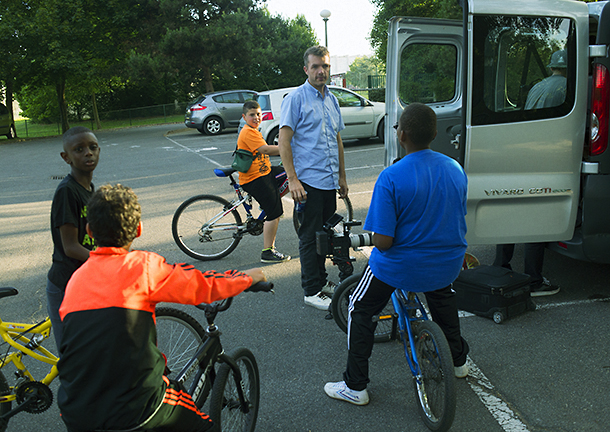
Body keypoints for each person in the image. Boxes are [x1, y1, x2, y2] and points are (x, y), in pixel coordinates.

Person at [57, 184, 266, 432]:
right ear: (138, 229)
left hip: (75, 409)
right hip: (137, 407)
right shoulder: (143, 267)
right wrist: (248, 277)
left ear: (90, 231)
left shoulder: (76, 280)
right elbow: (203, 285)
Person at [324, 103, 470, 405]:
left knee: (359, 308)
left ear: (401, 135)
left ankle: (355, 385)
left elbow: (385, 242)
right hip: (447, 263)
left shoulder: (391, 177)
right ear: (434, 133)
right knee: (442, 298)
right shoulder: (455, 169)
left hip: (401, 266)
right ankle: (459, 362)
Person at [278, 45, 349, 310]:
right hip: (307, 182)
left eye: (325, 66)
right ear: (306, 69)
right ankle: (311, 290)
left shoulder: (331, 99)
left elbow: (337, 139)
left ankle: (321, 281)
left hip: (329, 180)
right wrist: (293, 180)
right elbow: (284, 141)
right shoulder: (295, 98)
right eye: (316, 66)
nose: (321, 71)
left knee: (325, 235)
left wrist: (342, 176)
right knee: (309, 237)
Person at [492, 50, 565, 297]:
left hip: (521, 152)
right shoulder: (568, 88)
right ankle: (534, 280)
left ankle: (501, 268)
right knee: (536, 217)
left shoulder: (538, 87)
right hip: (545, 155)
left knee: (511, 211)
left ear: (552, 66)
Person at [46, 126, 100, 351]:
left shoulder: (89, 189)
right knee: (74, 358)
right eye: (79, 149)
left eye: (93, 147)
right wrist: (107, 262)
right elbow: (70, 247)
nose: (88, 153)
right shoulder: (67, 192)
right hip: (66, 284)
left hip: (84, 282)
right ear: (66, 157)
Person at [237, 100, 291, 263]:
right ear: (244, 117)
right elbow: (265, 149)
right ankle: (268, 252)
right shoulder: (248, 132)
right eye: (252, 115)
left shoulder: (252, 129)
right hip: (255, 178)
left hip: (264, 172)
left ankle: (267, 203)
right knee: (275, 213)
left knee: (287, 173)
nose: (256, 117)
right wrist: (289, 149)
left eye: (258, 114)